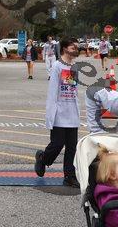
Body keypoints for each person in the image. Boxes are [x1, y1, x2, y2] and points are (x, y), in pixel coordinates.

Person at [34, 38, 80, 187]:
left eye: (77, 47)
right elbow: (52, 92)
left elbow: (74, 91)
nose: (76, 50)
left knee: (72, 147)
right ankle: (43, 158)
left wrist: (78, 111)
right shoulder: (57, 66)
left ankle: (69, 176)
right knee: (57, 144)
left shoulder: (75, 67)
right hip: (59, 113)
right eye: (73, 48)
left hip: (72, 113)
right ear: (65, 49)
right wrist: (50, 115)